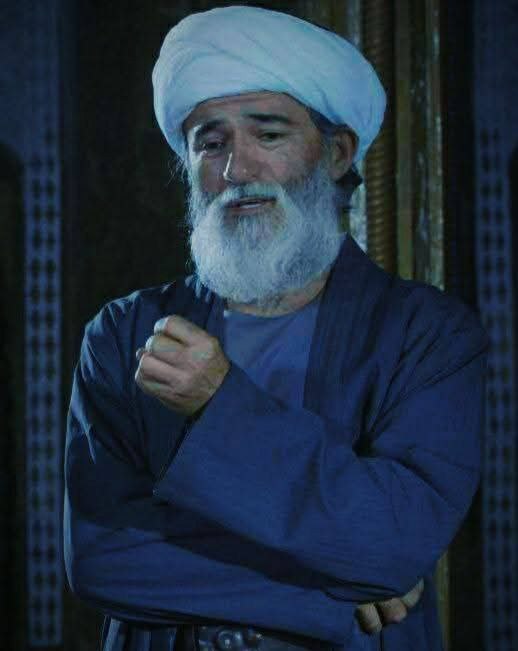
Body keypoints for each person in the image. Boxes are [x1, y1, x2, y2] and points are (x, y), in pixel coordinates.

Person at [64, 6, 488, 651]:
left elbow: (397, 539)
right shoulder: (124, 333)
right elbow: (104, 559)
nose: (238, 170)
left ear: (336, 153)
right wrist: (336, 591)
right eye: (212, 144)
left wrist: (219, 401)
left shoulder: (427, 334)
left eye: (268, 136)